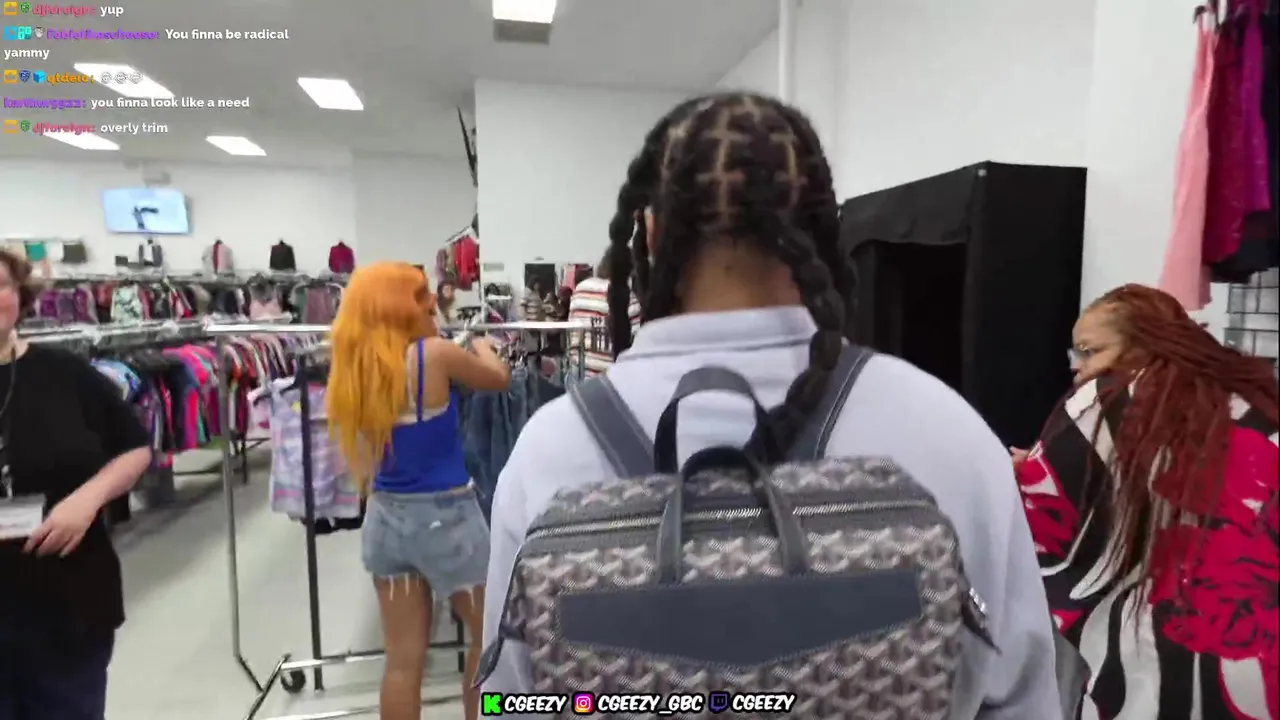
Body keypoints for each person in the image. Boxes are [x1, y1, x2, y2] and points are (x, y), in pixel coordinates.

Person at [481, 93, 1060, 716]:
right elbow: (1023, 697)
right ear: (820, 230)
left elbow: (504, 700)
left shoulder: (551, 450)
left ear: (650, 232)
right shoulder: (947, 433)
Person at [1012, 284, 1279, 719]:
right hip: (1261, 653)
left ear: (1144, 342)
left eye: (1089, 351)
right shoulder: (1257, 400)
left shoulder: (1108, 399)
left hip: (1161, 659)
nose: (1078, 370)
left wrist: (1020, 476)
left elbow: (1045, 523)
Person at [325, 262, 510, 720]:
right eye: (421, 294)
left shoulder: (358, 368)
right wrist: (484, 347)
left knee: (402, 661)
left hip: (385, 521)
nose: (432, 301)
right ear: (398, 307)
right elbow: (498, 379)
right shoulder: (434, 355)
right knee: (488, 641)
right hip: (449, 520)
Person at [0, 250, 153, 719]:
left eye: (0, 284)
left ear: (20, 294)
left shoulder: (66, 372)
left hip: (69, 600)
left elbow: (134, 447)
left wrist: (87, 499)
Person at [566, 245, 642, 377]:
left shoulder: (580, 289)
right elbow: (635, 344)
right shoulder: (628, 298)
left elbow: (572, 328)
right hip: (609, 376)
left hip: (578, 369)